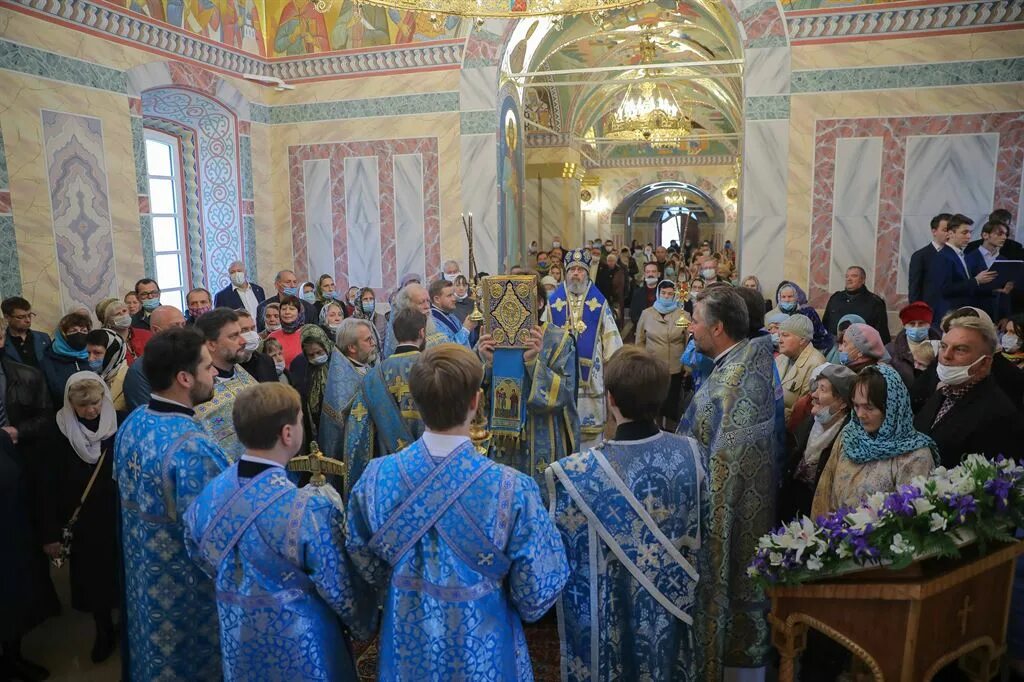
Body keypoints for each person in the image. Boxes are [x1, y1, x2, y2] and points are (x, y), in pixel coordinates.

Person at [345, 344, 569, 680]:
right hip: (486, 652)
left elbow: (363, 563)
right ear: (476, 401)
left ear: (416, 403)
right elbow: (538, 592)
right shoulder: (512, 488)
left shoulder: (376, 477)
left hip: (408, 646)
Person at [184, 383, 377, 681]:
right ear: (288, 434)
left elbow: (199, 555)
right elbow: (341, 589)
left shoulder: (208, 496)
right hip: (303, 645)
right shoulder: (308, 510)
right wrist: (367, 624)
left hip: (238, 636)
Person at [547, 346, 705, 681]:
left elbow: (562, 560)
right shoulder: (692, 455)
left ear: (610, 399)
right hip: (672, 614)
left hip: (609, 621)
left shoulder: (577, 473)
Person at [114, 327, 228, 680]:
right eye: (208, 367)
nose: (216, 374)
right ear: (184, 378)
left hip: (140, 577)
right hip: (185, 592)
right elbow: (217, 533)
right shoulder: (191, 445)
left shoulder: (134, 422)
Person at [676, 286, 777, 680]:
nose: (690, 328)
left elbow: (721, 472)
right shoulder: (743, 363)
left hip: (728, 533)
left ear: (717, 328)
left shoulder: (732, 387)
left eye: (696, 321)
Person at [39, 373, 124, 663]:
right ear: (69, 403)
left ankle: (125, 624)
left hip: (119, 515)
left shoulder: (119, 423)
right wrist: (49, 533)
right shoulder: (57, 431)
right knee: (94, 580)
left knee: (122, 573)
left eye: (96, 403)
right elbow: (46, 484)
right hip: (84, 521)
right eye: (83, 406)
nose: (92, 411)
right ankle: (103, 630)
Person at [479, 281, 580, 487]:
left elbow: (565, 394)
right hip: (499, 440)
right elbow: (474, 394)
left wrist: (534, 363)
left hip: (543, 433)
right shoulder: (491, 339)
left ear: (540, 303)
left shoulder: (559, 340)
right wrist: (485, 362)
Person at [0, 317, 55, 682]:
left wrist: (17, 431)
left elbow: (44, 418)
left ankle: (12, 651)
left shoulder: (24, 374)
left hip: (13, 478)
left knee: (14, 568)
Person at [812, 364, 936, 516]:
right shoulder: (849, 436)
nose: (860, 414)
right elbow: (824, 493)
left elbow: (909, 519)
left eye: (869, 408)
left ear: (891, 408)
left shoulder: (915, 456)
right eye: (856, 406)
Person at [913, 311, 1024, 467]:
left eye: (960, 349)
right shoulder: (943, 393)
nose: (946, 355)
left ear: (984, 363)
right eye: (944, 346)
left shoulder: (998, 414)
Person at [343, 308, 427, 496]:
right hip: (429, 466)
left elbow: (358, 431)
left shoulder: (374, 377)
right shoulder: (434, 368)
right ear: (422, 332)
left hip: (389, 472)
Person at [547, 249, 624, 448]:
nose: (576, 274)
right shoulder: (554, 302)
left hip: (592, 376)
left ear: (587, 273)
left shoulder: (599, 302)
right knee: (562, 434)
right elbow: (545, 337)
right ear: (566, 272)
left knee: (591, 438)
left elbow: (612, 340)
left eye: (580, 270)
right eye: (572, 269)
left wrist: (614, 372)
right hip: (561, 374)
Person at [778, 363, 855, 522]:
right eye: (816, 388)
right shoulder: (808, 423)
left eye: (823, 390)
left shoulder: (846, 437)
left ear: (842, 402)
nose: (813, 394)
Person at [193, 308, 258, 462]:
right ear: (211, 344)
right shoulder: (199, 392)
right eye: (234, 336)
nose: (243, 341)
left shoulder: (242, 373)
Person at [318, 318, 377, 467]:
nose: (373, 343)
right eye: (368, 340)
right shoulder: (341, 384)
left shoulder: (366, 368)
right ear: (352, 347)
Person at [635, 280, 688, 428]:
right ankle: (655, 428)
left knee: (672, 404)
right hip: (653, 366)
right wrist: (640, 362)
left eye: (670, 294)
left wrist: (688, 366)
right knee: (655, 401)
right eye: (664, 293)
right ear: (658, 294)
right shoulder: (647, 314)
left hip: (676, 368)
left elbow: (688, 341)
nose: (666, 296)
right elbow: (639, 340)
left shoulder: (683, 315)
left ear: (675, 296)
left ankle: (671, 430)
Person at [929, 214, 999, 321]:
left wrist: (996, 288)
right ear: (951, 233)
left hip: (964, 313)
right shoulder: (943, 256)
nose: (969, 237)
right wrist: (976, 280)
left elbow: (968, 288)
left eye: (970, 232)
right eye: (964, 232)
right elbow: (944, 289)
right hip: (949, 315)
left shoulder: (964, 256)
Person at [122, 305, 187, 410]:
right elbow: (147, 413)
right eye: (175, 326)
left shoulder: (190, 356)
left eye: (183, 325)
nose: (182, 331)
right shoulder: (140, 370)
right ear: (156, 330)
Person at [775, 314, 827, 420]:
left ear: (802, 340)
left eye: (785, 335)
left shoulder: (816, 365)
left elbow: (803, 410)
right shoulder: (780, 359)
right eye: (779, 335)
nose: (779, 340)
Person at [822, 266, 891, 345]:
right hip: (834, 348)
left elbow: (882, 335)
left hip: (862, 351)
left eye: (854, 276)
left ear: (863, 280)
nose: (849, 279)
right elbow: (825, 326)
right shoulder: (835, 298)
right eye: (847, 276)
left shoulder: (875, 302)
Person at [769, 281, 834, 354]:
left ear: (796, 297)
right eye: (783, 297)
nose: (787, 300)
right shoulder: (771, 316)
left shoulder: (808, 312)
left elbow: (820, 336)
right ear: (779, 298)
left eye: (790, 296)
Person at [886, 302, 940, 388]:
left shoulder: (941, 348)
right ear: (905, 326)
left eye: (921, 323)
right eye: (912, 324)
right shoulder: (891, 350)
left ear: (929, 325)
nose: (916, 327)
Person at [41, 310, 92, 403]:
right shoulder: (48, 361)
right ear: (63, 335)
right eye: (73, 331)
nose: (79, 334)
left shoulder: (92, 355)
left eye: (84, 330)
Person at [908, 213, 953, 306]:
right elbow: (914, 289)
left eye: (951, 230)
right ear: (934, 231)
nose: (949, 234)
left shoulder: (958, 255)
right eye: (945, 230)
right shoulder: (920, 256)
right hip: (929, 310)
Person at [382, 282, 432, 357]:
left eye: (428, 301)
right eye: (421, 302)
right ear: (408, 305)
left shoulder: (431, 322)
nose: (427, 306)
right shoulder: (400, 330)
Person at [2, 297, 51, 369]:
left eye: (29, 315)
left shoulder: (43, 338)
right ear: (7, 317)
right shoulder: (2, 342)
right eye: (21, 317)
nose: (28, 320)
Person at [87, 328, 129, 410]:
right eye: (88, 353)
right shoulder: (88, 376)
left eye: (97, 353)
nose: (90, 359)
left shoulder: (129, 379)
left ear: (113, 355)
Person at [428, 278, 477, 347]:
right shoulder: (431, 322)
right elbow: (447, 349)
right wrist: (466, 329)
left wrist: (479, 346)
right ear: (437, 299)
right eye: (449, 296)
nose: (454, 299)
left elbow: (467, 346)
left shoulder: (451, 315)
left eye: (453, 294)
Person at [235, 310, 277, 383]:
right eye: (244, 330)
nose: (251, 333)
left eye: (253, 328)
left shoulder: (266, 360)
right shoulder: (228, 365)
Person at [266, 295, 306, 368]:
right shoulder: (272, 337)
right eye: (284, 309)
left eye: (292, 309)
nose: (287, 312)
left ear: (299, 312)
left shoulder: (308, 334)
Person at [96, 297, 138, 366]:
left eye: (124, 311)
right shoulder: (102, 344)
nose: (123, 315)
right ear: (107, 321)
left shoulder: (145, 334)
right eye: (117, 313)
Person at [129, 278, 161, 358]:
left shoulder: (173, 315)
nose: (150, 296)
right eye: (144, 294)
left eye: (154, 293)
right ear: (138, 297)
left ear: (159, 294)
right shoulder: (133, 322)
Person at [352, 286, 387, 352]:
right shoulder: (351, 321)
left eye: (371, 299)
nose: (369, 301)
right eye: (365, 299)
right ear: (358, 302)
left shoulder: (382, 319)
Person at [596, 251, 627, 322]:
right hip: (605, 296)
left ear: (615, 261)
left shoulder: (619, 271)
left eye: (612, 261)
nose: (610, 262)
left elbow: (624, 284)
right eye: (609, 261)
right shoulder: (603, 271)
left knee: (616, 316)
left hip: (616, 298)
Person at [629, 261, 661, 325]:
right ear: (644, 274)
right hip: (642, 329)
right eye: (648, 272)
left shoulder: (665, 293)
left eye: (653, 271)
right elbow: (633, 315)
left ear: (658, 274)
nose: (650, 274)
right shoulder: (637, 293)